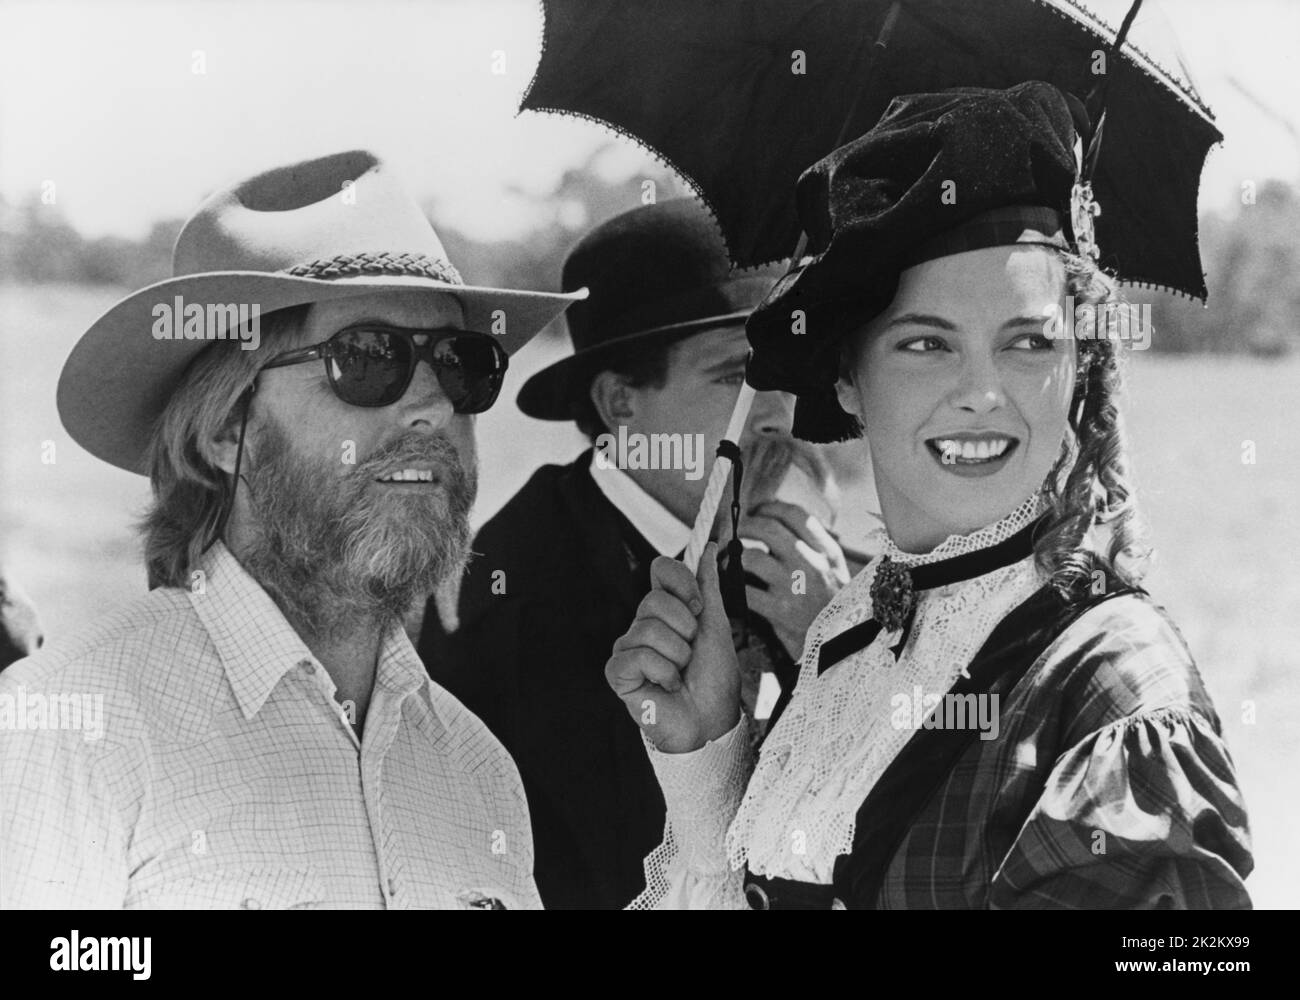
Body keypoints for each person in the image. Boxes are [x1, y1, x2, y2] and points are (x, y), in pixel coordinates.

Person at [606, 83, 1254, 909]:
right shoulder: (846, 636)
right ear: (846, 378)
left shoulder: (1112, 688)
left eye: (1026, 342)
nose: (982, 393)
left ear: (1079, 365)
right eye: (925, 344)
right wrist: (705, 756)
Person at [0, 150, 584, 908]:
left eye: (463, 363)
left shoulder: (478, 770)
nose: (434, 406)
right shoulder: (73, 728)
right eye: (371, 358)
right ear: (225, 426)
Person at [419, 198, 860, 908]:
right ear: (621, 402)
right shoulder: (503, 607)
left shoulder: (837, 578)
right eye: (737, 379)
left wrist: (845, 661)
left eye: (784, 375)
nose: (777, 411)